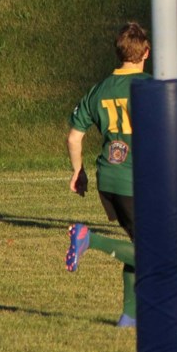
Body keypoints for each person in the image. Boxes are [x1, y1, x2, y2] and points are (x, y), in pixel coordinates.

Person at [64, 21, 151, 328]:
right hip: (137, 181)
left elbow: (74, 137)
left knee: (139, 248)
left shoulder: (99, 89)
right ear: (146, 52)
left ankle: (129, 317)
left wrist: (78, 171)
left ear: (118, 53)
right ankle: (91, 240)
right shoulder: (149, 86)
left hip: (109, 179)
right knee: (156, 255)